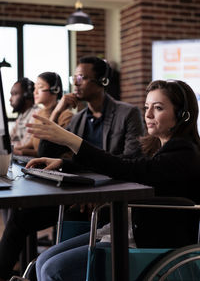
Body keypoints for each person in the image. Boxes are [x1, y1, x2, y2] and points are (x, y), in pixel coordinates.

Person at [24, 79, 200, 281]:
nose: (148, 114)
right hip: (129, 229)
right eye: (147, 107)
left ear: (183, 116)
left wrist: (70, 140)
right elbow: (122, 160)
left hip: (148, 240)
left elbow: (125, 168)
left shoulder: (183, 153)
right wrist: (64, 164)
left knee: (53, 269)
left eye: (158, 108)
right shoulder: (159, 149)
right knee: (43, 260)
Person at [0, 57, 144, 281]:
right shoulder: (78, 120)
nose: (75, 83)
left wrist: (96, 187)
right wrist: (58, 110)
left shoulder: (128, 113)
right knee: (21, 218)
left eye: (82, 77)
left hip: (110, 195)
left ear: (103, 81)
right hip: (80, 193)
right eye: (74, 77)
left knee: (63, 225)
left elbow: (130, 160)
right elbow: (45, 151)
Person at [13, 72, 73, 157]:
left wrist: (22, 152)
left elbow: (49, 152)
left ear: (55, 89)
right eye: (34, 88)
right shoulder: (39, 114)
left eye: (40, 87)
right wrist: (13, 149)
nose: (35, 92)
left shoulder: (66, 116)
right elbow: (32, 144)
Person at [10, 78, 37, 148]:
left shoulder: (35, 114)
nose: (10, 99)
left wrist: (8, 145)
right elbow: (8, 139)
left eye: (14, 94)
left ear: (27, 95)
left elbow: (25, 145)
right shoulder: (22, 116)